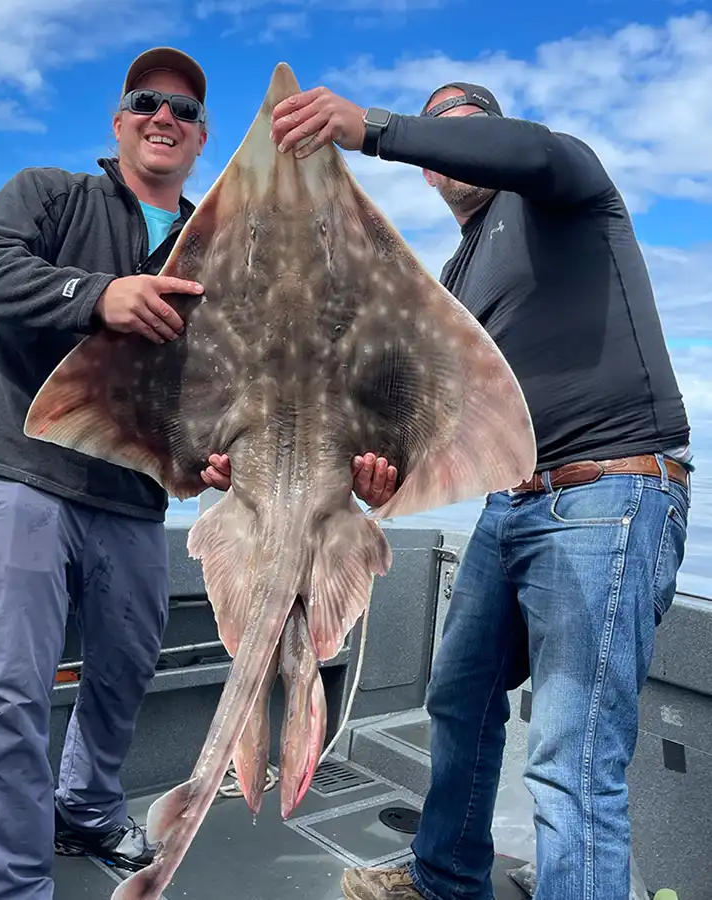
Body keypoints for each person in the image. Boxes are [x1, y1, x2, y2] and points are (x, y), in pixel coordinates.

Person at [0, 45, 390, 900]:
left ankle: (86, 804)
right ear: (119, 122)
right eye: (147, 102)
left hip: (134, 495)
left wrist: (215, 458)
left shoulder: (211, 245)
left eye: (183, 112)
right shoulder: (54, 193)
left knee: (126, 669)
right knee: (15, 692)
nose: (164, 118)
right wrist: (97, 295)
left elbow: (226, 388)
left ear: (201, 139)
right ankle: (15, 887)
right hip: (21, 472)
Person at [264, 81, 693, 900]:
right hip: (513, 502)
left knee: (572, 758)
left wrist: (380, 128)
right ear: (432, 176)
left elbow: (526, 149)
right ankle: (445, 879)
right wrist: (380, 473)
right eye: (439, 130)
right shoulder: (456, 282)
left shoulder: (562, 188)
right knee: (458, 702)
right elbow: (431, 424)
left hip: (608, 492)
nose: (450, 140)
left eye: (464, 125)